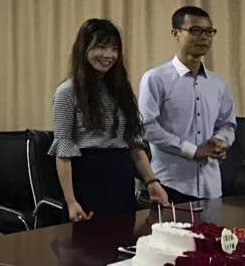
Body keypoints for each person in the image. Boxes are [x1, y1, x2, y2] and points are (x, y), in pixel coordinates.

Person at [50, 19, 171, 220]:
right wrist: (71, 201)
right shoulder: (67, 91)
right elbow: (63, 152)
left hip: (121, 176)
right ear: (84, 49)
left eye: (114, 49)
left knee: (124, 236)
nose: (109, 55)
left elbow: (134, 143)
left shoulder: (121, 90)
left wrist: (151, 182)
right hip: (87, 177)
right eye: (101, 47)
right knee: (88, 239)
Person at [139, 6, 237, 203]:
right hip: (169, 185)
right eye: (195, 30)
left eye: (209, 32)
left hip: (211, 187)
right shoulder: (155, 78)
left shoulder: (218, 84)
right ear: (175, 33)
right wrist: (192, 150)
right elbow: (147, 127)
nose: (204, 37)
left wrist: (221, 141)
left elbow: (227, 124)